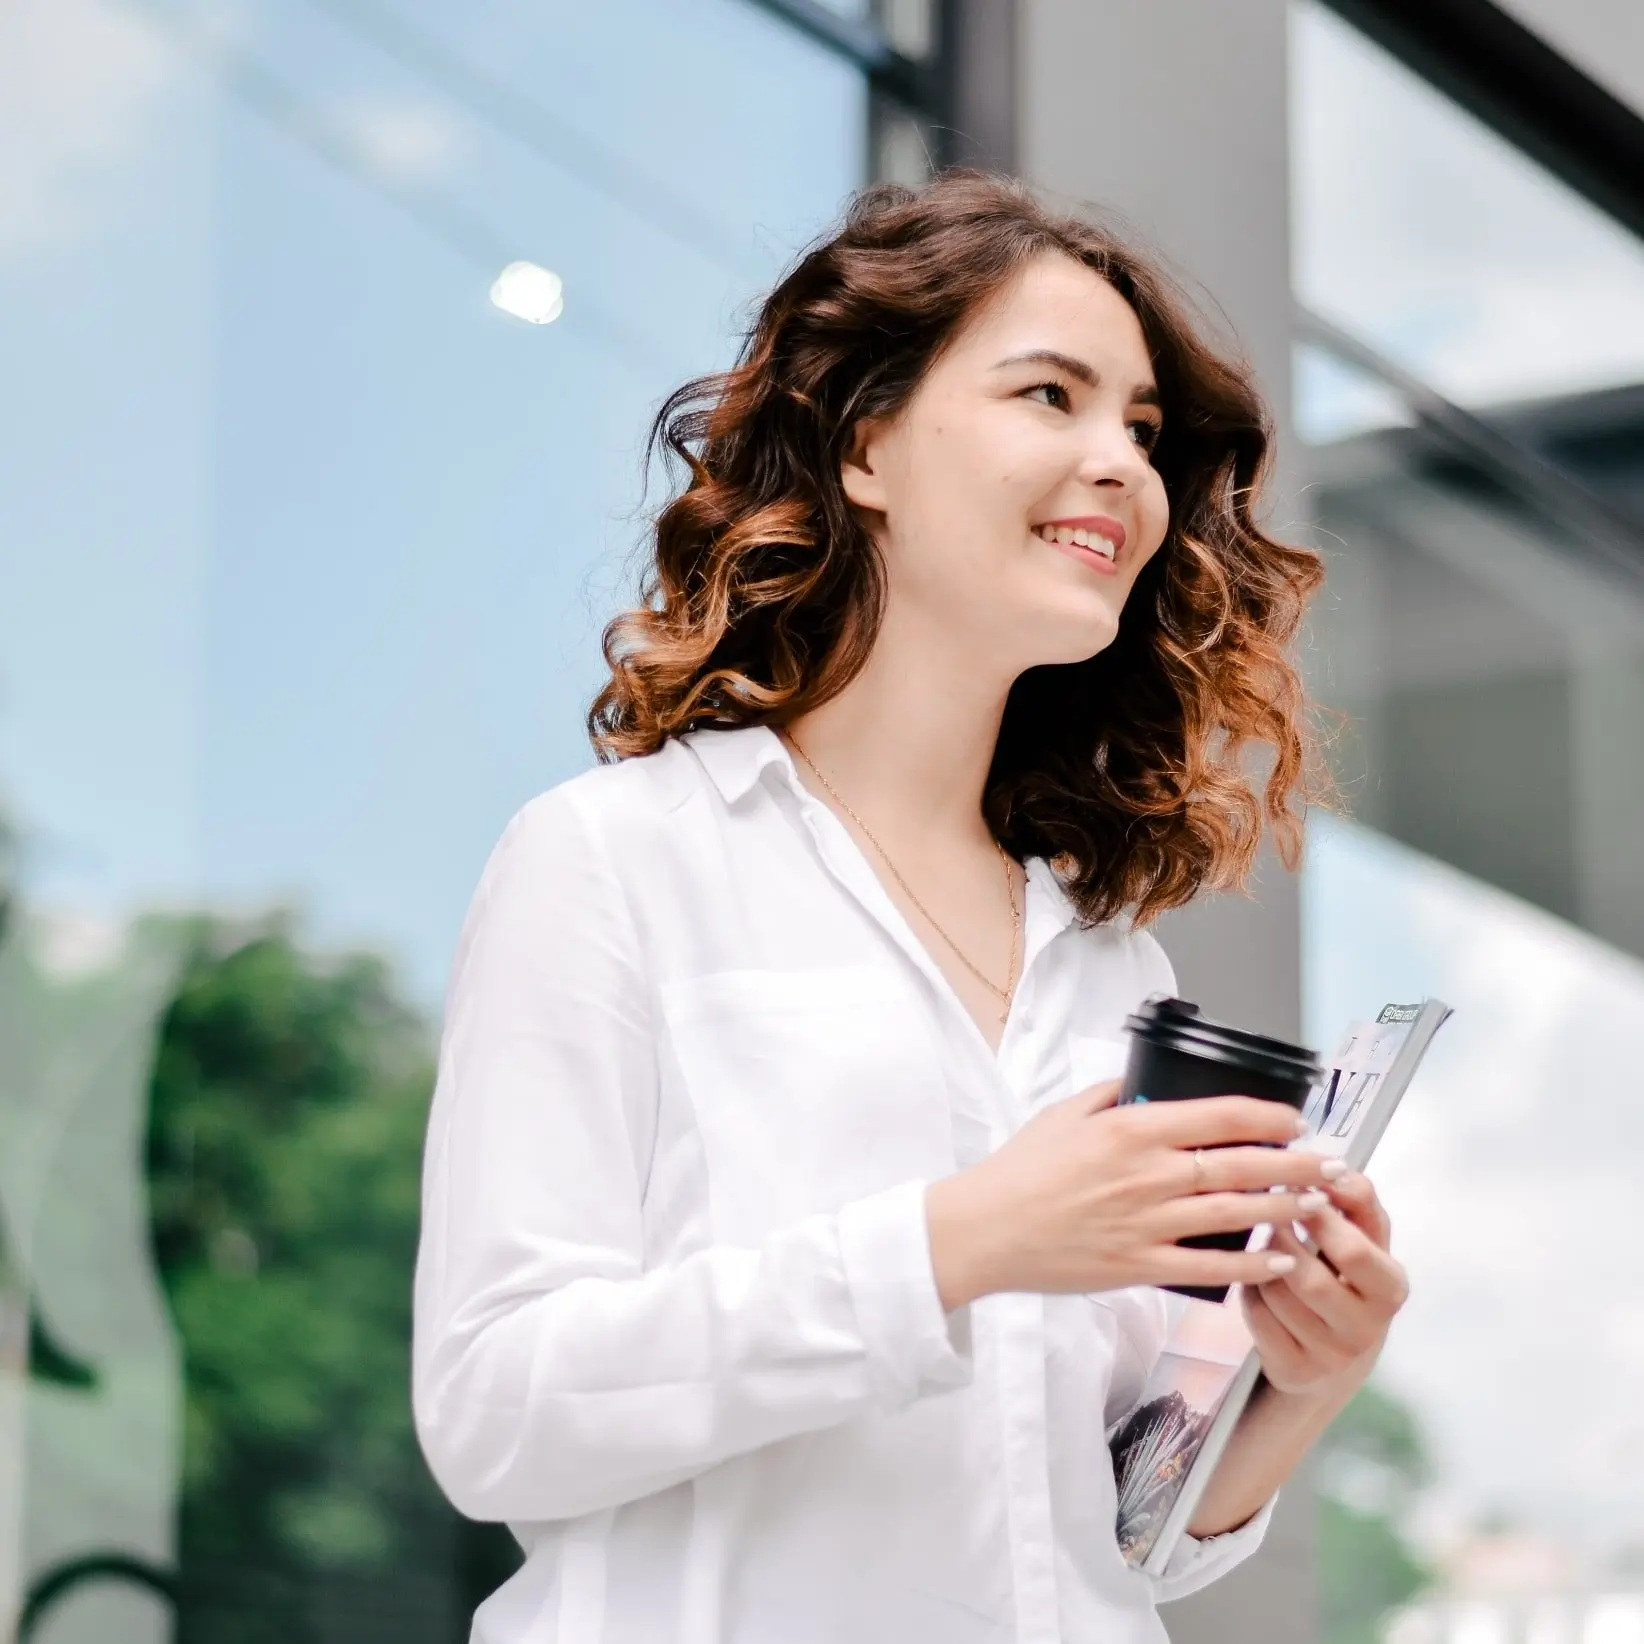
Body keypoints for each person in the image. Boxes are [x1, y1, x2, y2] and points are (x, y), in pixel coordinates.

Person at [411, 171, 1410, 1644]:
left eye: (1139, 427)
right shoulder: (617, 861)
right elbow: (495, 1409)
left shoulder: (1113, 961)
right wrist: (957, 1244)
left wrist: (1292, 1384)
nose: (1121, 464)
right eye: (1049, 395)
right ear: (865, 440)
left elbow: (1111, 1538)